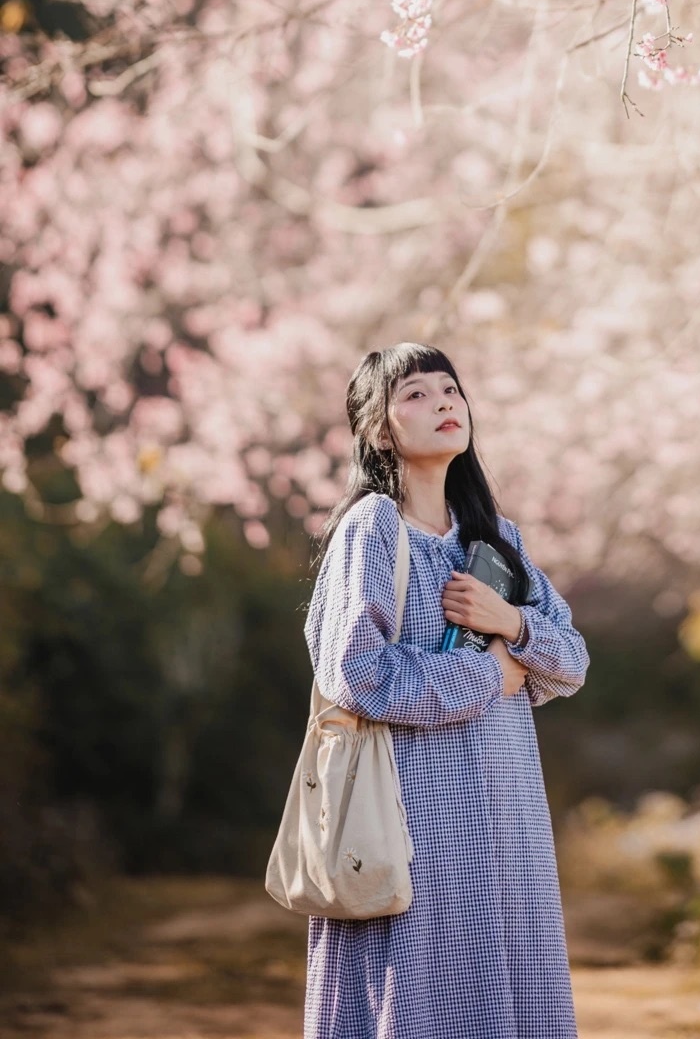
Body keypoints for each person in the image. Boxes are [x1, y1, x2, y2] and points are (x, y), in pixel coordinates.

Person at [303, 341, 589, 1039]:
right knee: (421, 1007)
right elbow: (358, 675)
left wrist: (511, 622)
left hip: (508, 815)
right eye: (415, 395)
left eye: (449, 391)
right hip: (413, 818)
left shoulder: (497, 538)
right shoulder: (371, 530)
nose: (441, 404)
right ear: (377, 430)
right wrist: (492, 673)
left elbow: (571, 660)